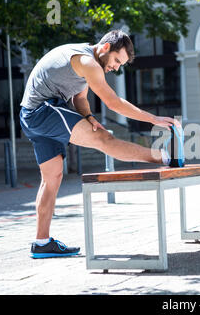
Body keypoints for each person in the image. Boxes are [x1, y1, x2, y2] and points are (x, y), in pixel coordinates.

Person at [20, 29, 180, 258]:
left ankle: (42, 242)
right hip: (43, 111)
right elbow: (113, 103)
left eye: (120, 64)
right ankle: (165, 157)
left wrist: (89, 117)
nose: (116, 67)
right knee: (104, 140)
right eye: (116, 61)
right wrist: (153, 119)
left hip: (32, 115)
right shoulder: (88, 62)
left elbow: (80, 98)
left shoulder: (86, 60)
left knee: (52, 177)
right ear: (105, 48)